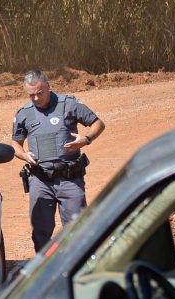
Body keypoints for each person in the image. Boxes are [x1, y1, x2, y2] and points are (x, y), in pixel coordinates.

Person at [11, 69, 105, 252]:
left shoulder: (69, 104)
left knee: (77, 230)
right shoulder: (24, 113)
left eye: (40, 93)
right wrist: (24, 155)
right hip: (40, 181)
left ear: (48, 86)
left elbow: (98, 124)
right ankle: (45, 266)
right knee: (40, 232)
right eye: (31, 95)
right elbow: (15, 143)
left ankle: (76, 265)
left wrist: (86, 139)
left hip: (70, 179)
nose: (36, 98)